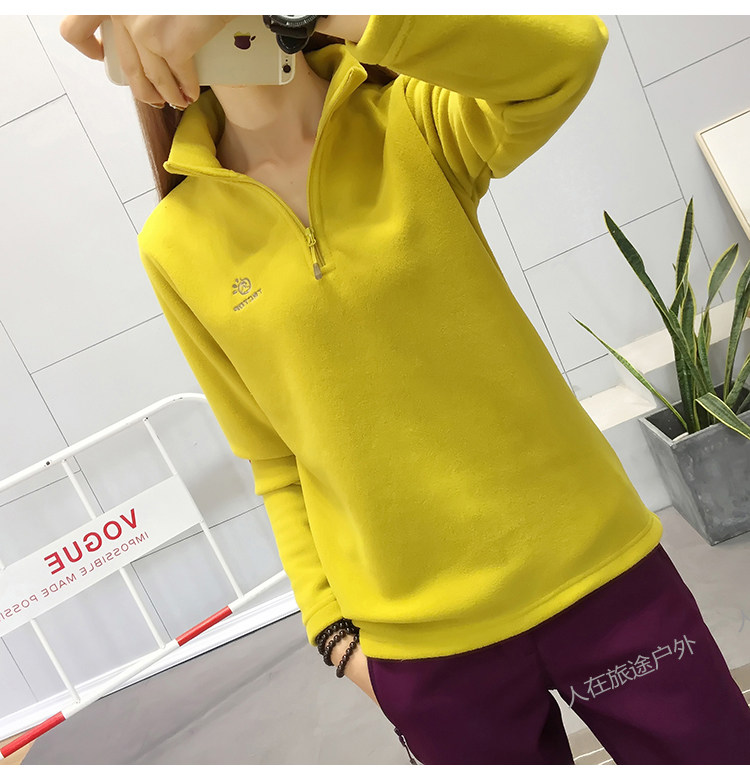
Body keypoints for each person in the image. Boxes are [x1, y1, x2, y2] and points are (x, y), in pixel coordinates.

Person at [61, 15, 750, 765]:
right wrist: (334, 634)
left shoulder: (413, 118)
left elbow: (569, 52)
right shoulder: (174, 242)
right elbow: (274, 458)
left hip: (601, 580)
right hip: (427, 655)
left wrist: (307, 12)